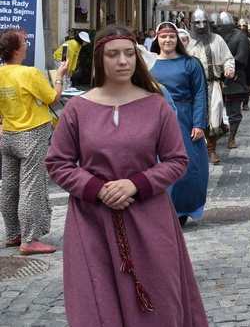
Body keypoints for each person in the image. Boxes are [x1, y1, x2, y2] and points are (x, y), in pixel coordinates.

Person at [45, 25, 207, 326]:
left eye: (129, 54)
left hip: (150, 217)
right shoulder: (77, 109)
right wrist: (96, 188)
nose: (123, 61)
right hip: (91, 221)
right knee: (96, 303)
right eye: (113, 54)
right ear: (99, 60)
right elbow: (58, 163)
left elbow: (176, 160)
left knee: (160, 302)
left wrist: (137, 184)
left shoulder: (156, 105)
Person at [0, 28, 67, 255]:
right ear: (16, 50)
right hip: (32, 133)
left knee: (9, 187)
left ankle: (12, 234)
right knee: (30, 187)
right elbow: (54, 99)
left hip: (9, 134)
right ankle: (29, 240)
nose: (26, 46)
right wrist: (60, 77)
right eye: (24, 43)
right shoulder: (30, 73)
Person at [149, 21, 209, 227]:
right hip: (154, 118)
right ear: (156, 38)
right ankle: (156, 210)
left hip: (184, 117)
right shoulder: (147, 64)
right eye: (163, 37)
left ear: (178, 40)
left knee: (186, 163)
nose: (167, 40)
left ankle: (180, 209)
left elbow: (200, 94)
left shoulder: (190, 64)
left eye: (171, 37)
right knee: (155, 163)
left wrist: (199, 124)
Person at [188, 8, 235, 164]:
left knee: (214, 115)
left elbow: (227, 58)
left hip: (212, 84)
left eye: (203, 22)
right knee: (195, 118)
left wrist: (228, 69)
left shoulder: (217, 40)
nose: (201, 26)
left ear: (208, 23)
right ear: (193, 24)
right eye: (197, 22)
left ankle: (211, 150)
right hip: (192, 87)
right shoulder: (187, 41)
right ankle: (195, 150)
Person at [216, 12, 250, 149]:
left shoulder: (240, 37)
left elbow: (242, 58)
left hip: (235, 78)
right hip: (216, 78)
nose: (220, 28)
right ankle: (222, 128)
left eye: (222, 26)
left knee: (234, 111)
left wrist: (225, 64)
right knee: (214, 108)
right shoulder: (215, 38)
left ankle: (231, 138)